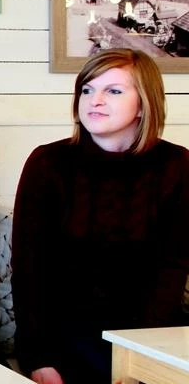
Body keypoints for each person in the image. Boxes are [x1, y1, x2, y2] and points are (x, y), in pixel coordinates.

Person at [12, 49, 189, 384]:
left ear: (144, 104)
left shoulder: (176, 165)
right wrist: (39, 358)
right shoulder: (48, 163)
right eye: (87, 89)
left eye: (114, 91)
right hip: (65, 339)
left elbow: (171, 269)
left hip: (149, 335)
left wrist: (140, 357)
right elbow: (29, 271)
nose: (95, 100)